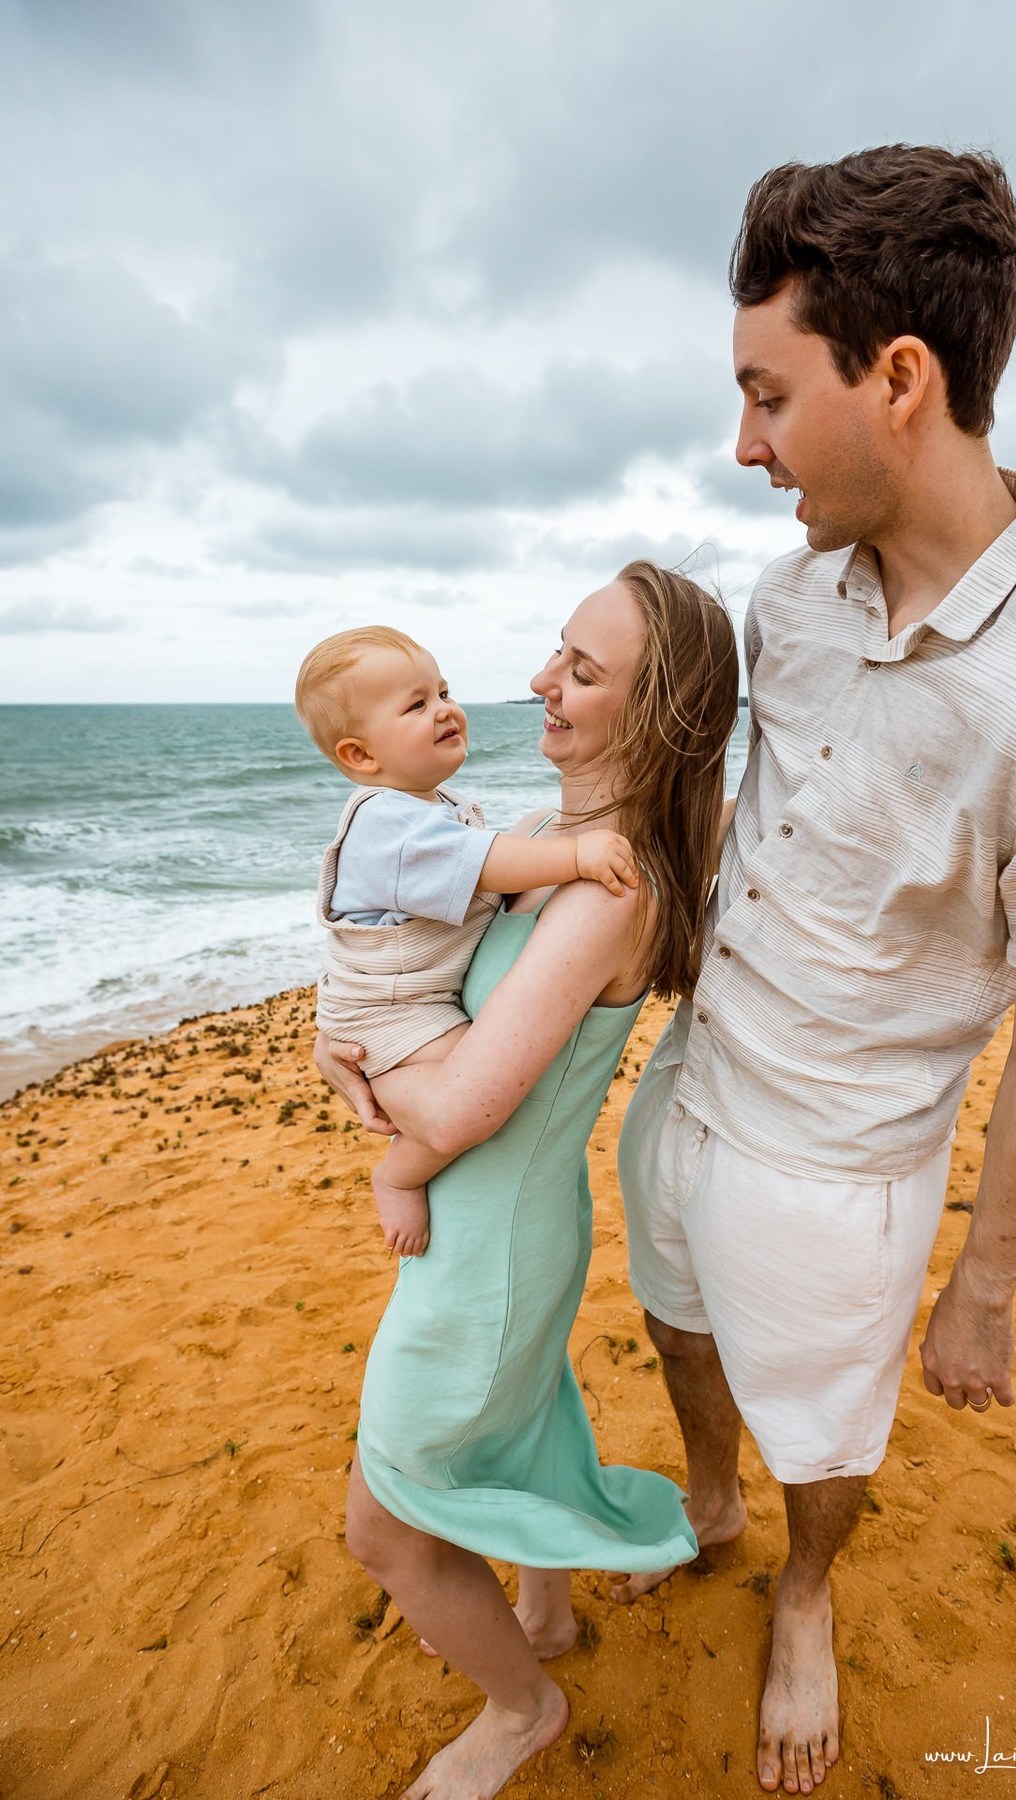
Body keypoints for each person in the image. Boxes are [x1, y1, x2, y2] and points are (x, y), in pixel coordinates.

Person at [616, 146, 1016, 1798]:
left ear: (899, 378)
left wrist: (986, 1289)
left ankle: (802, 1587)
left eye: (767, 395)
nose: (743, 446)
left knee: (832, 1440)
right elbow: (747, 816)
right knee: (674, 1325)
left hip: (840, 1168)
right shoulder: (790, 601)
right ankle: (711, 1503)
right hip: (697, 1080)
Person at [316, 561, 740, 1800]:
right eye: (557, 652)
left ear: (653, 715)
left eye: (582, 668)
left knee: (384, 1525)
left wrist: (359, 1089)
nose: (539, 682)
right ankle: (542, 1624)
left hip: (490, 1243)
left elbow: (458, 1104)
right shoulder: (558, 853)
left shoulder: (608, 889)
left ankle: (524, 1708)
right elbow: (430, 990)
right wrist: (342, 1037)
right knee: (516, 1424)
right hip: (507, 1222)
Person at [294, 624, 640, 1255]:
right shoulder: (385, 826)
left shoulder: (433, 810)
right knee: (467, 1099)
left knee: (470, 1088)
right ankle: (398, 1176)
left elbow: (484, 872)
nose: (445, 708)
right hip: (392, 1016)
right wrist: (579, 856)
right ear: (361, 758)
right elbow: (482, 867)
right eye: (416, 704)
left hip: (408, 1005)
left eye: (443, 690)